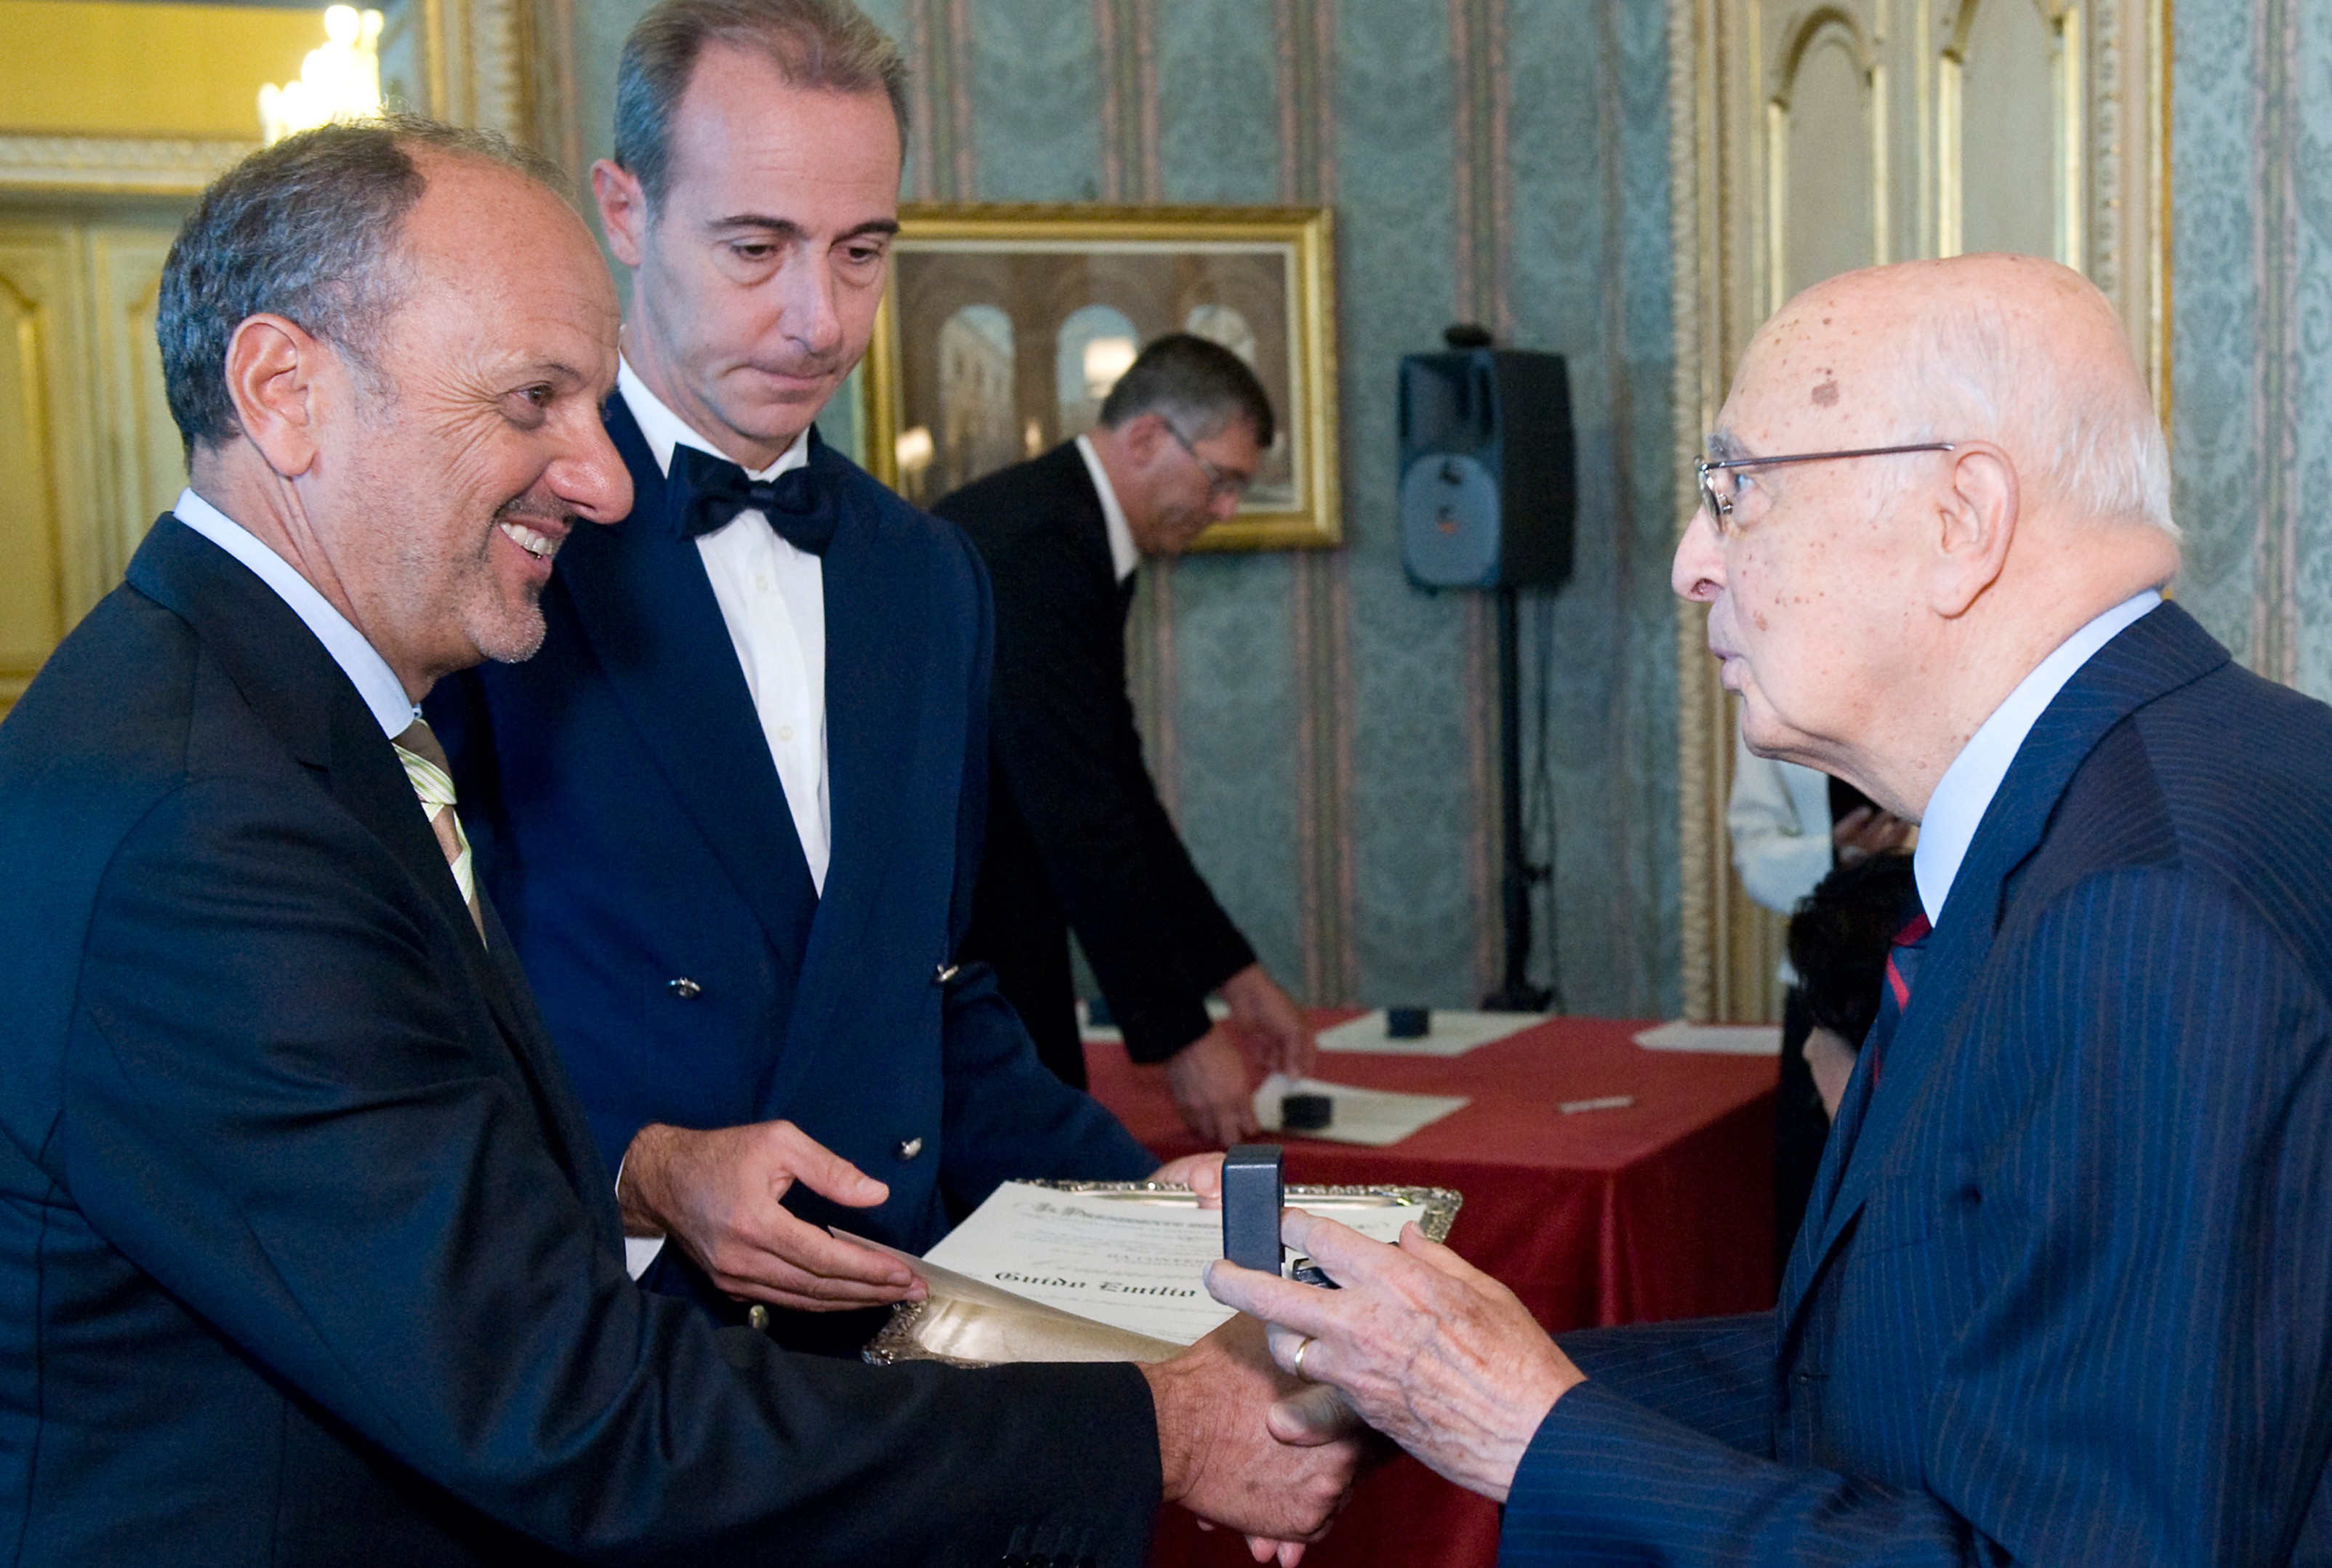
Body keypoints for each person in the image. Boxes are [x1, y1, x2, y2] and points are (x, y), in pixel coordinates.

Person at [0, 116, 1360, 1565]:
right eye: (532, 402)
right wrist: (1151, 1427)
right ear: (284, 390)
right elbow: (559, 1404)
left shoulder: (246, 721)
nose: (598, 481)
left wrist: (1120, 1216)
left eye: (593, 406)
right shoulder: (211, 820)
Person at [1209, 253, 2332, 1561]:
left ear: (1961, 519)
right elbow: (1918, 1372)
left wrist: (1534, 1433)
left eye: (1733, 490)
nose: (1692, 563)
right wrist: (1429, 1375)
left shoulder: (2137, 909)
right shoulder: (2183, 777)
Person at [426, 0, 1203, 1350]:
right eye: (754, 248)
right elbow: (407, 989)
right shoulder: (491, 537)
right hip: (596, 1345)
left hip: (874, 1347)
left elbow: (930, 994)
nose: (816, 319)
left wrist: (1140, 1218)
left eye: (860, 253)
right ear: (623, 210)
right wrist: (642, 1165)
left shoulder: (930, 575)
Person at [933, 334, 1316, 1145]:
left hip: (999, 937)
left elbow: (1117, 786)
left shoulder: (1068, 529)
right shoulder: (1036, 546)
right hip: (954, 957)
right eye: (1221, 482)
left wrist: (1233, 974)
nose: (1224, 511)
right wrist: (1178, 1034)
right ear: (1145, 438)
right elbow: (1077, 811)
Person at [1728, 728, 1913, 1269]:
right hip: (1829, 976)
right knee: (1816, 1181)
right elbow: (1754, 850)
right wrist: (1834, 851)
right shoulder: (1770, 684)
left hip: (1931, 955)